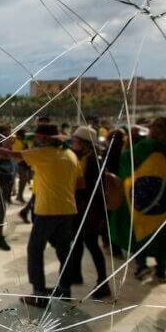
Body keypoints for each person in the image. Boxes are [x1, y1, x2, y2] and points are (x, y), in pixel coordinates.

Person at [0, 123, 78, 306]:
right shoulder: (70, 155)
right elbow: (78, 182)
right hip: (68, 209)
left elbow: (11, 155)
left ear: (44, 138)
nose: (35, 140)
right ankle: (65, 289)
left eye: (38, 137)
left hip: (48, 210)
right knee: (64, 250)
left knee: (35, 250)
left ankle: (39, 294)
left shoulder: (43, 154)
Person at [110, 116, 166, 283]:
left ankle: (141, 267)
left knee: (140, 232)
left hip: (141, 201)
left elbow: (126, 163)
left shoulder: (143, 148)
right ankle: (161, 271)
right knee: (163, 234)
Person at [59, 126, 111, 298]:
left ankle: (103, 283)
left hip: (89, 210)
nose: (72, 143)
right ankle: (76, 274)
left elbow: (89, 188)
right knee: (78, 242)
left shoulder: (93, 162)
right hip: (81, 208)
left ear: (84, 144)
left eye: (75, 141)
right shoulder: (84, 158)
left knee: (91, 244)